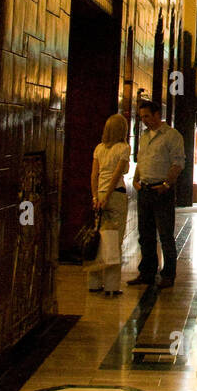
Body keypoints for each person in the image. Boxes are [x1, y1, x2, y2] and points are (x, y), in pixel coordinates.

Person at [128, 99, 185, 289]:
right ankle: (147, 272)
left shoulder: (171, 136)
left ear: (156, 115)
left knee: (165, 234)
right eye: (141, 116)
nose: (143, 120)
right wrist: (136, 180)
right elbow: (141, 160)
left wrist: (167, 184)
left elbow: (178, 163)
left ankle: (168, 274)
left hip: (161, 190)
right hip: (144, 189)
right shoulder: (144, 136)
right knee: (145, 234)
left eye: (146, 116)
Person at [89, 113, 130, 297]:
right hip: (116, 195)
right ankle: (112, 286)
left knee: (98, 238)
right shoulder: (123, 148)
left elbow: (94, 175)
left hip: (99, 194)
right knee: (114, 239)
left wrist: (96, 197)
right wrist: (109, 195)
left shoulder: (98, 148)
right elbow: (117, 174)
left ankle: (94, 281)